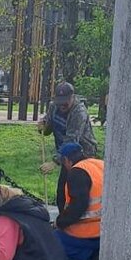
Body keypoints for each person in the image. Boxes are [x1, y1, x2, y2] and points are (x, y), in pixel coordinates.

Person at [38, 81, 97, 209]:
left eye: (65, 101)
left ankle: (76, 218)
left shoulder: (79, 112)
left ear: (73, 97)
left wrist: (55, 162)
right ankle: (62, 217)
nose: (62, 105)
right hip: (66, 155)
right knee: (62, 192)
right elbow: (48, 127)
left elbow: (71, 140)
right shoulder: (53, 107)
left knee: (75, 191)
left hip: (82, 155)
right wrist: (43, 126)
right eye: (59, 101)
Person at [53, 142, 103, 260]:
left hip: (87, 233)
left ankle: (89, 257)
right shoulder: (100, 164)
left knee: (50, 241)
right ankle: (96, 254)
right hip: (107, 232)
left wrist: (60, 222)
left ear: (66, 160)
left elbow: (79, 206)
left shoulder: (77, 171)